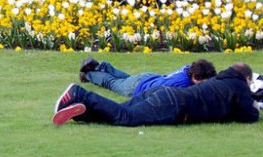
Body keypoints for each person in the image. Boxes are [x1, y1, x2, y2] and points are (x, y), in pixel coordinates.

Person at [53, 63, 260, 126]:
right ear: (247, 80)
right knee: (126, 118)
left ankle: (80, 112)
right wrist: (255, 107)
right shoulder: (239, 86)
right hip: (174, 104)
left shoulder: (220, 80)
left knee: (121, 112)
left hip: (164, 93)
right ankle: (78, 93)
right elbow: (249, 117)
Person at [79, 58, 216, 97]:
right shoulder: (183, 84)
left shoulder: (188, 69)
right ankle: (88, 74)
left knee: (126, 78)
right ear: (196, 78)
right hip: (140, 87)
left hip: (148, 77)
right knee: (112, 83)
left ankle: (102, 66)